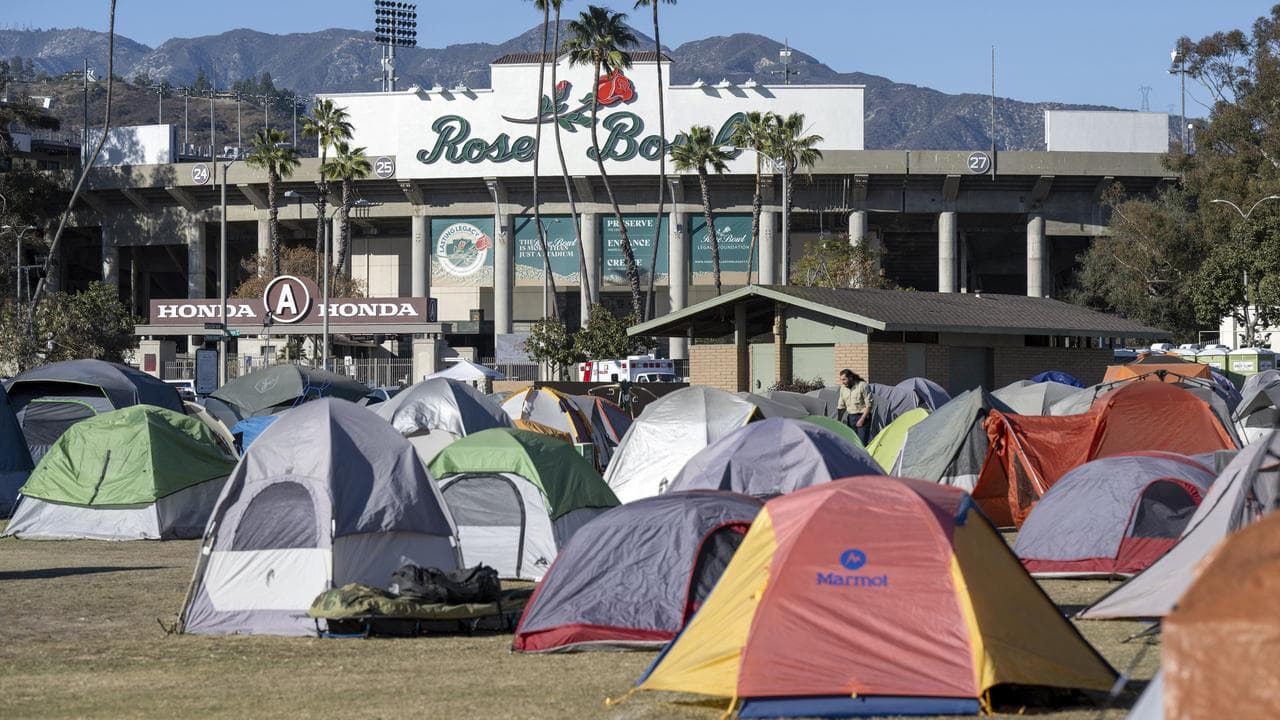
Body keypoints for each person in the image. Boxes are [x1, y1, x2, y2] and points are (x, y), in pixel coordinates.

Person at [835, 369, 872, 444]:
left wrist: (862, 419)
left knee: (861, 443)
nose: (842, 382)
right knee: (852, 442)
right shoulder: (843, 388)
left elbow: (869, 405)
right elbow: (841, 406)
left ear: (851, 377)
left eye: (844, 379)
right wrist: (838, 421)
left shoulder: (862, 385)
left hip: (863, 417)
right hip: (851, 418)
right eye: (841, 380)